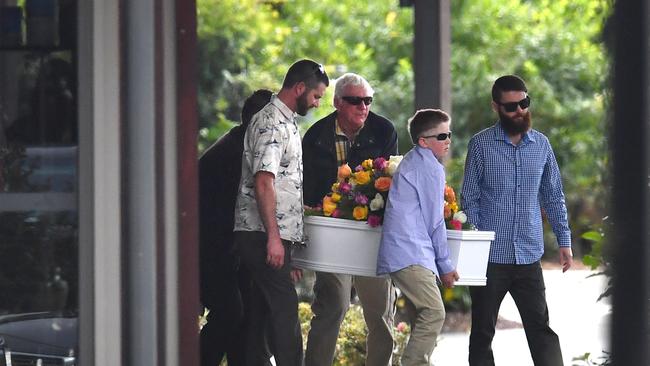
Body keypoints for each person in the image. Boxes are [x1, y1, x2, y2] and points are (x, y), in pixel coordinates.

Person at [461, 75, 573, 366]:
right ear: (496, 107)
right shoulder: (481, 145)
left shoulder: (542, 145)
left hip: (528, 255)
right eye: (511, 107)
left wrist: (564, 241)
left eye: (524, 103)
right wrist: (476, 244)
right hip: (490, 258)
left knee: (541, 330)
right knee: (483, 332)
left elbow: (553, 196)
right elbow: (469, 199)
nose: (520, 111)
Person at [233, 59, 329, 366]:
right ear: (299, 88)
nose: (316, 104)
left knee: (262, 314)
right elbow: (264, 182)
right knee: (285, 311)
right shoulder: (271, 122)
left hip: (271, 235)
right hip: (260, 234)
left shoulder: (287, 122)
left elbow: (282, 186)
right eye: (316, 97)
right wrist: (275, 239)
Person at [302, 72, 398, 366]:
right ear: (337, 102)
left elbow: (392, 181)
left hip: (372, 232)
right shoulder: (315, 136)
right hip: (331, 233)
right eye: (355, 101)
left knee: (380, 311)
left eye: (368, 100)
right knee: (332, 306)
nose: (363, 107)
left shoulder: (383, 131)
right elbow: (305, 190)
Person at [377, 109, 459, 366]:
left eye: (450, 134)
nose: (448, 140)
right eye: (442, 135)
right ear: (423, 141)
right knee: (434, 312)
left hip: (405, 252)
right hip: (410, 252)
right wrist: (445, 265)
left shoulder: (415, 160)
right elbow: (435, 222)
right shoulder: (429, 168)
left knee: (421, 316)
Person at [198, 89, 273, 366]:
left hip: (231, 249)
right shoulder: (230, 155)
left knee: (246, 315)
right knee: (231, 312)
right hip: (211, 248)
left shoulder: (241, 146)